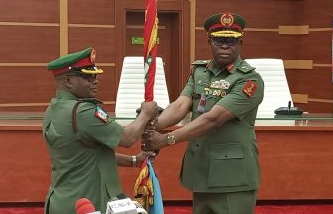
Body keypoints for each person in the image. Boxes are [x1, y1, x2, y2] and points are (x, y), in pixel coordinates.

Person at [143, 12, 264, 214]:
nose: (225, 45)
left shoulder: (249, 80)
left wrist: (165, 140)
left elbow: (213, 119)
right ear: (209, 42)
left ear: (240, 43)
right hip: (201, 170)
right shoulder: (200, 71)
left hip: (231, 176)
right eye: (219, 40)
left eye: (231, 41)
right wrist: (153, 125)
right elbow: (180, 105)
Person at [43, 47, 157, 214]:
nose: (94, 81)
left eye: (95, 75)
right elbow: (127, 138)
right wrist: (146, 113)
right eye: (87, 77)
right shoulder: (84, 112)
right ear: (68, 82)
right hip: (88, 202)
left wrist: (134, 160)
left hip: (61, 201)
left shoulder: (53, 109)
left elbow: (86, 154)